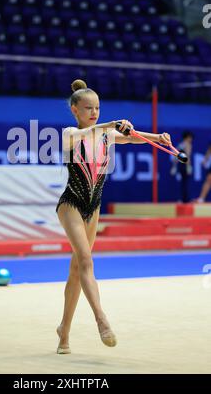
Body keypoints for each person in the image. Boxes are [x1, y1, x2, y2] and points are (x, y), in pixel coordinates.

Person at [55, 79, 172, 354]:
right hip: (71, 204)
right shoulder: (70, 133)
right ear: (75, 110)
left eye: (97, 108)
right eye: (88, 108)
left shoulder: (106, 134)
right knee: (85, 260)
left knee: (76, 271)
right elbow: (89, 133)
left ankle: (64, 332)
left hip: (93, 207)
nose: (94, 112)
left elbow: (132, 137)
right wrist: (108, 125)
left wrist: (156, 138)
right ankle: (101, 320)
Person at [170, 131, 193, 203]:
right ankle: (186, 199)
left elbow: (176, 156)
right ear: (187, 137)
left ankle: (183, 199)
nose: (191, 139)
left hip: (180, 165)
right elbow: (187, 157)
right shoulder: (188, 145)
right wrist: (189, 166)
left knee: (183, 183)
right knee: (185, 183)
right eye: (190, 138)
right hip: (185, 165)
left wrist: (174, 166)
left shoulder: (180, 145)